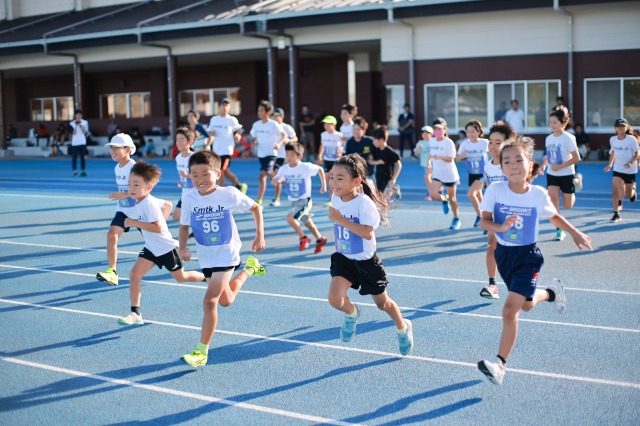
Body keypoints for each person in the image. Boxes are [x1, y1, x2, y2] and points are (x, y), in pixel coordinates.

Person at [477, 136, 592, 385]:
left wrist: (575, 233)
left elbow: (556, 218)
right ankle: (552, 292)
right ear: (501, 167)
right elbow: (484, 220)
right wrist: (500, 225)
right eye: (507, 161)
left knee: (509, 310)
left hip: (528, 257)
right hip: (504, 256)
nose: (513, 164)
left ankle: (500, 365)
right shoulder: (495, 190)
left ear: (530, 165)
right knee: (526, 305)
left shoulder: (537, 194)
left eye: (519, 159)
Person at [178, 150, 266, 367]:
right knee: (226, 300)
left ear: (217, 173)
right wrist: (182, 247)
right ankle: (250, 269)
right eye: (195, 174)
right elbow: (184, 225)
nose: (200, 179)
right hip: (206, 256)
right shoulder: (188, 197)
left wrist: (259, 234)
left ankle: (202, 351)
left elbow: (256, 207)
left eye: (205, 174)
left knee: (210, 301)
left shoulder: (229, 194)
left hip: (227, 253)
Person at [327, 154, 414, 355]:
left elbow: (367, 232)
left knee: (383, 304)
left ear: (356, 181)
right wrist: (339, 219)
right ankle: (352, 313)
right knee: (334, 299)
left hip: (366, 262)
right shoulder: (335, 197)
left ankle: (403, 326)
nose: (334, 182)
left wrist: (340, 219)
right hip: (344, 259)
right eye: (332, 177)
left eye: (340, 178)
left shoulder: (364, 203)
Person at [117, 161, 205, 326]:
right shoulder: (144, 200)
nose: (131, 188)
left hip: (166, 248)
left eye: (136, 184)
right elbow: (168, 204)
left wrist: (134, 223)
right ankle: (135, 313)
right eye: (129, 184)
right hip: (151, 248)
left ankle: (208, 277)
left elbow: (157, 229)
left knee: (182, 277)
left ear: (148, 187)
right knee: (134, 274)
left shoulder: (148, 204)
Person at [96, 133, 172, 286]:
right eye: (111, 147)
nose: (113, 150)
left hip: (139, 211)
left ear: (128, 149)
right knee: (112, 235)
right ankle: (112, 272)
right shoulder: (117, 168)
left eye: (117, 148)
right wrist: (123, 197)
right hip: (124, 210)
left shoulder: (134, 167)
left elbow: (143, 188)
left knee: (159, 238)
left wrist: (122, 194)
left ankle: (175, 260)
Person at [479, 120, 515, 300]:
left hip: (513, 212)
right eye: (490, 141)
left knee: (514, 249)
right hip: (495, 212)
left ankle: (519, 282)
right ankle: (492, 284)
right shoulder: (488, 164)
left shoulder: (510, 162)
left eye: (498, 142)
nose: (493, 146)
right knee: (491, 245)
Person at [271, 142, 328, 253]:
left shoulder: (305, 167)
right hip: (293, 201)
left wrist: (324, 185)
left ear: (299, 156)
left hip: (304, 200)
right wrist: (275, 180)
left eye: (292, 155)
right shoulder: (284, 168)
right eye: (287, 154)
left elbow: (320, 169)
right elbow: (276, 179)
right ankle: (320, 239)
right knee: (308, 223)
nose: (289, 157)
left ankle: (303, 237)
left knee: (290, 218)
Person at [544, 106, 582, 241]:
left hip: (567, 174)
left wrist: (560, 166)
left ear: (563, 123)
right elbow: (550, 156)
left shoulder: (569, 138)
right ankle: (559, 230)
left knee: (568, 206)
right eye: (550, 122)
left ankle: (577, 180)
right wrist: (545, 164)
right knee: (553, 202)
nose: (552, 125)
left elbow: (577, 158)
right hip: (552, 174)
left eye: (555, 122)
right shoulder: (548, 138)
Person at [426, 118, 462, 230]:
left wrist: (439, 157)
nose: (437, 131)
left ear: (445, 129)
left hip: (450, 174)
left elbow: (451, 159)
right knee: (432, 195)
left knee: (453, 198)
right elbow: (432, 154)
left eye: (439, 128)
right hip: (438, 174)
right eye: (435, 129)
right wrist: (429, 161)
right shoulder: (432, 141)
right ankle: (443, 199)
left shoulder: (449, 142)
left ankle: (456, 219)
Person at [250, 100, 287, 205]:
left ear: (267, 112)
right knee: (272, 176)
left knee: (262, 176)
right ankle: (277, 195)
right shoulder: (256, 125)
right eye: (258, 110)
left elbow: (284, 135)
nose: (259, 112)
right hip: (261, 154)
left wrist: (279, 144)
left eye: (261, 110)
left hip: (271, 154)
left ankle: (259, 200)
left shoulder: (273, 124)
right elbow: (254, 137)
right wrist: (253, 144)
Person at [207, 98, 248, 194]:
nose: (225, 107)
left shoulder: (232, 119)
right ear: (219, 107)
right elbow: (210, 133)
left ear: (229, 107)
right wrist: (209, 140)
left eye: (227, 105)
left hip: (227, 151)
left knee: (221, 171)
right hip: (216, 151)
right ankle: (240, 185)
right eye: (223, 105)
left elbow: (238, 130)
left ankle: (221, 193)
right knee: (226, 172)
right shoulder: (214, 120)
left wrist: (238, 135)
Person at [455, 119, 489, 228]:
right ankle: (487, 218)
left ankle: (480, 216)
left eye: (473, 131)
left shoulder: (485, 143)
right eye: (468, 131)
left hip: (483, 174)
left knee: (471, 194)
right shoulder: (465, 144)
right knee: (479, 197)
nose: (470, 134)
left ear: (479, 132)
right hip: (471, 174)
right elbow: (457, 159)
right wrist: (462, 156)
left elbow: (496, 152)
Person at [604, 118, 638, 223]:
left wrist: (631, 162)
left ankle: (632, 192)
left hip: (630, 170)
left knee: (628, 194)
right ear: (615, 129)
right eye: (618, 127)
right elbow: (613, 152)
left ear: (626, 128)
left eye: (622, 127)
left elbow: (637, 153)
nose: (620, 129)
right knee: (615, 190)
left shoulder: (631, 139)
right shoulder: (613, 139)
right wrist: (610, 164)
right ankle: (616, 213)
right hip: (618, 168)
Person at [270, 107, 298, 207]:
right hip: (271, 154)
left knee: (276, 174)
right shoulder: (271, 126)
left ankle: (276, 198)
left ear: (282, 117)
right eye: (273, 116)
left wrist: (289, 141)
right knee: (274, 175)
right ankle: (286, 182)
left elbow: (295, 138)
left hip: (283, 155)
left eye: (277, 116)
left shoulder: (287, 127)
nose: (275, 118)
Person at [369, 125, 402, 198]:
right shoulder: (375, 149)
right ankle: (394, 190)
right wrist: (378, 162)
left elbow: (399, 165)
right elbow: (370, 161)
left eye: (375, 140)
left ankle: (392, 190)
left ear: (381, 140)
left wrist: (394, 179)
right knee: (378, 196)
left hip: (388, 178)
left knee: (383, 197)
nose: (373, 142)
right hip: (378, 176)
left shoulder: (390, 152)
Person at [318, 115, 344, 206]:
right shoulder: (323, 134)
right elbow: (322, 146)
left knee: (334, 180)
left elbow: (343, 145)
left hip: (336, 161)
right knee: (328, 179)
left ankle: (335, 198)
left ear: (334, 125)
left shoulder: (339, 135)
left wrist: (340, 151)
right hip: (327, 160)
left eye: (328, 124)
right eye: (325, 124)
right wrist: (320, 156)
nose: (326, 126)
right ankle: (332, 198)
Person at [172, 127, 196, 223]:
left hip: (196, 193)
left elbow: (201, 176)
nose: (178, 142)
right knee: (176, 216)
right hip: (185, 193)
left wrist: (188, 176)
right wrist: (182, 180)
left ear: (189, 142)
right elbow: (183, 175)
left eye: (182, 139)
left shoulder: (194, 157)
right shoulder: (178, 158)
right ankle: (196, 225)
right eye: (177, 139)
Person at [346, 116, 375, 181]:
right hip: (354, 173)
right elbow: (347, 157)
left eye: (358, 129)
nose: (355, 131)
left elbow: (375, 154)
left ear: (364, 130)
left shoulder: (370, 141)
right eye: (354, 129)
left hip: (368, 173)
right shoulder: (349, 142)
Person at [414, 125, 433, 201]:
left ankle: (431, 193)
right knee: (430, 178)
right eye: (423, 134)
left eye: (427, 133)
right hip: (424, 164)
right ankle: (435, 191)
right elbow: (415, 154)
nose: (425, 135)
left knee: (427, 177)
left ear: (431, 134)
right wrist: (418, 148)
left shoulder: (433, 142)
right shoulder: (420, 142)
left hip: (433, 164)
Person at [70, 111, 89, 177]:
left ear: (81, 116)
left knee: (83, 157)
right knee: (74, 158)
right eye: (77, 115)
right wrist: (75, 125)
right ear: (75, 116)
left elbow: (86, 133)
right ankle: (75, 171)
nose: (78, 117)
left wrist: (81, 125)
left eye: (79, 115)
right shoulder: (72, 123)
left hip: (82, 142)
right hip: (75, 143)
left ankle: (83, 171)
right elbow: (73, 133)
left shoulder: (85, 122)